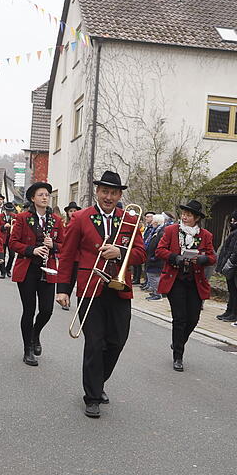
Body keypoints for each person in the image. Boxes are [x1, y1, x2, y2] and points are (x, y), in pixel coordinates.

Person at [55, 171, 145, 418]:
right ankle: (92, 395)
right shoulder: (81, 218)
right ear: (97, 192)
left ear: (119, 195)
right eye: (104, 191)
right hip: (90, 288)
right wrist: (63, 288)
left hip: (119, 288)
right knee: (95, 343)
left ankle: (99, 381)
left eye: (113, 192)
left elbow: (141, 253)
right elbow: (67, 254)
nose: (108, 196)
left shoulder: (129, 219)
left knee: (117, 341)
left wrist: (120, 250)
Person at [155, 200, 216, 371]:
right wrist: (175, 257)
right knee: (180, 319)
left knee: (193, 319)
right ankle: (178, 356)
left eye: (189, 215)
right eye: (183, 214)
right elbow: (160, 250)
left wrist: (204, 259)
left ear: (197, 218)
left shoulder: (205, 235)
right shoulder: (171, 231)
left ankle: (177, 342)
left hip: (195, 281)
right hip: (176, 281)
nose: (185, 217)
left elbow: (212, 257)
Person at [10, 182, 63, 366]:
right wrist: (31, 250)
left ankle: (35, 333)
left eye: (47, 194)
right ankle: (28, 350)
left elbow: (64, 246)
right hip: (27, 270)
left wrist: (53, 246)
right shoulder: (22, 218)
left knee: (47, 310)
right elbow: (13, 243)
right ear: (33, 198)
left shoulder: (56, 220)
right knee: (29, 310)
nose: (45, 197)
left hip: (47, 269)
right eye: (41, 194)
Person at [215, 207, 237, 321]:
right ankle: (229, 311)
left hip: (232, 265)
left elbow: (230, 250)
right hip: (230, 264)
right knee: (231, 290)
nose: (231, 222)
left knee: (234, 291)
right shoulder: (236, 231)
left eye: (233, 219)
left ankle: (234, 313)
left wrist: (226, 264)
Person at [144, 214, 167, 300]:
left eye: (153, 220)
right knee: (151, 275)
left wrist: (154, 257)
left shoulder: (161, 233)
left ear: (156, 222)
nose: (152, 222)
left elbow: (159, 246)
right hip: (151, 257)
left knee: (153, 276)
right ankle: (155, 292)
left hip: (156, 259)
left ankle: (158, 294)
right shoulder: (155, 231)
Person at [0, 202, 17, 279]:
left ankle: (8, 269)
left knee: (12, 255)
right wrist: (3, 226)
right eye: (8, 211)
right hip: (2, 238)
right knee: (1, 256)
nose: (9, 212)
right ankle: (2, 271)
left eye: (11, 211)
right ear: (5, 210)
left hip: (11, 239)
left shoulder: (14, 216)